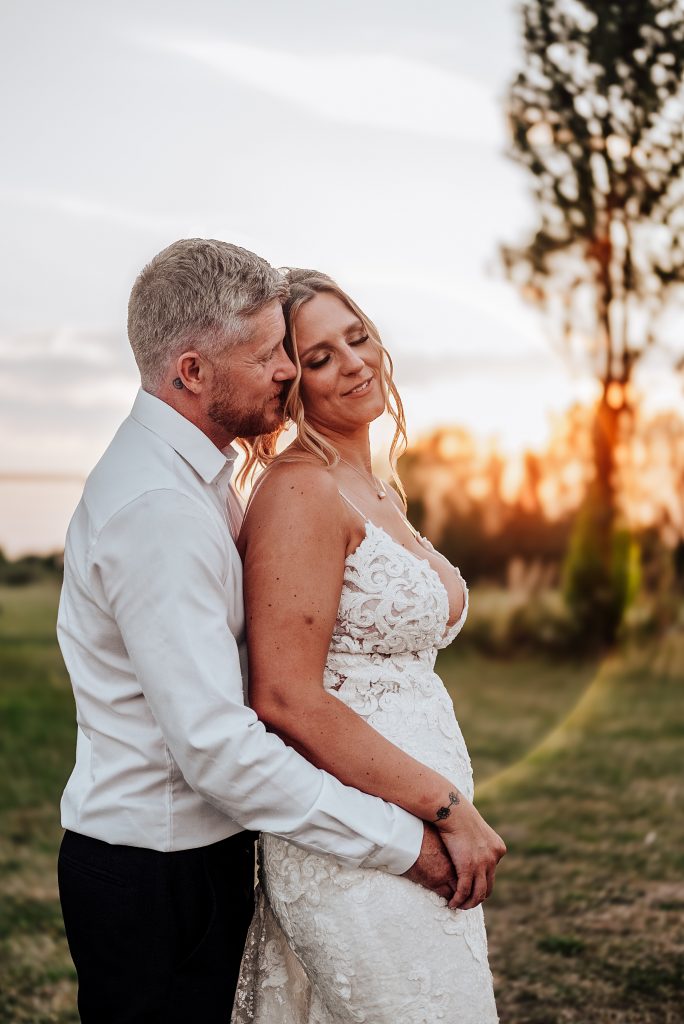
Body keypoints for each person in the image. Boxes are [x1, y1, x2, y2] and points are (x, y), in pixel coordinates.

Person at [56, 239, 501, 1024]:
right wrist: (410, 831)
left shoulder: (203, 480)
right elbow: (225, 741)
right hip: (158, 870)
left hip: (216, 855)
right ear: (191, 372)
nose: (289, 372)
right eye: (277, 355)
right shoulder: (158, 509)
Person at [232, 268, 505, 1023]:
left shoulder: (374, 486)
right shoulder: (300, 489)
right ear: (288, 382)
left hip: (416, 823)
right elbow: (286, 696)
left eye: (357, 338)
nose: (354, 362)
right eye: (320, 357)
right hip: (361, 840)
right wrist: (447, 810)